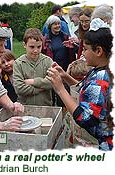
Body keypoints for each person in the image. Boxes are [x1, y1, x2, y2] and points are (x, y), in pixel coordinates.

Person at [46, 18, 113, 151]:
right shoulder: (99, 70)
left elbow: (84, 118)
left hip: (97, 146)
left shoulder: (102, 78)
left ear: (98, 51)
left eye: (86, 49)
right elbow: (88, 91)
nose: (82, 53)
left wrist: (60, 89)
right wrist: (65, 76)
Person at [13, 28, 53, 106]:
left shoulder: (48, 61)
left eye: (39, 47)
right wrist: (42, 88)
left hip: (45, 107)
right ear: (24, 45)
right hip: (26, 107)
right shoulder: (18, 63)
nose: (36, 50)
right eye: (32, 47)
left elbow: (52, 83)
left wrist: (33, 81)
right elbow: (19, 88)